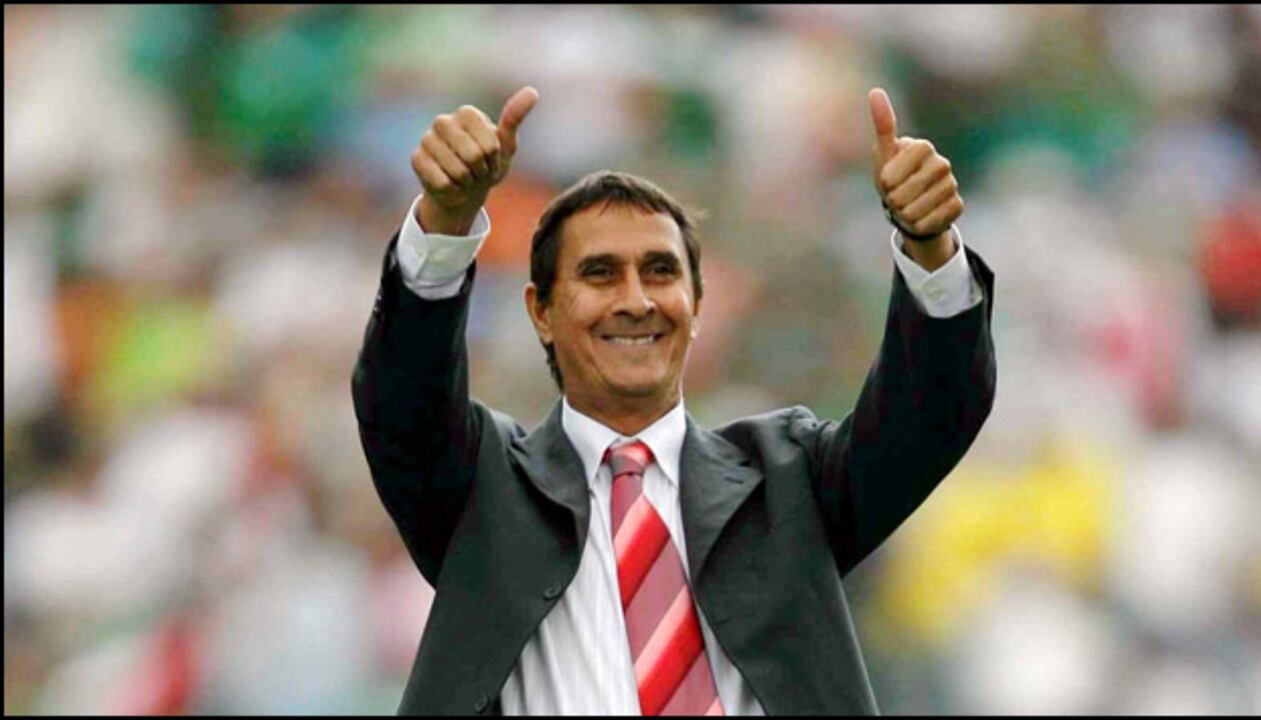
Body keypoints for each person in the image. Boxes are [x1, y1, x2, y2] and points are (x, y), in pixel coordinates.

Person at [352, 85, 996, 716]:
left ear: (696, 306)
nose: (636, 300)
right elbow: (401, 399)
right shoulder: (485, 488)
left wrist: (929, 247)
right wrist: (446, 220)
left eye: (660, 271)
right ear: (541, 312)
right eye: (600, 273)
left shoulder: (789, 483)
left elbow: (931, 414)